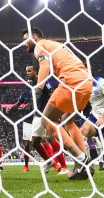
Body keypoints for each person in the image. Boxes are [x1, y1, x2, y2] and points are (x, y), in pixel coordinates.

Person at [22, 27, 93, 180]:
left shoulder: (40, 46)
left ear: (34, 37)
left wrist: (38, 89)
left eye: (25, 39)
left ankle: (81, 159)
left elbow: (45, 66)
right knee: (69, 122)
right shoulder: (56, 44)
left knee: (46, 120)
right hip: (86, 81)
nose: (24, 44)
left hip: (71, 81)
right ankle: (84, 164)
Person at [25, 65, 69, 175]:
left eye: (29, 71)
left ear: (36, 71)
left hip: (48, 114)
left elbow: (52, 95)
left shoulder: (43, 81)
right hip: (38, 115)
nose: (27, 73)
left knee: (50, 137)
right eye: (26, 71)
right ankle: (48, 161)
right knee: (35, 142)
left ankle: (64, 167)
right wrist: (35, 114)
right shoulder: (32, 84)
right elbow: (37, 102)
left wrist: (54, 112)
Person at [6, 86, 33, 172]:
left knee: (42, 140)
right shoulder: (25, 93)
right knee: (26, 143)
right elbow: (18, 104)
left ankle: (53, 163)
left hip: (38, 118)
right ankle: (26, 166)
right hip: (27, 120)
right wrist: (11, 107)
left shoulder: (40, 90)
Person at [80, 102, 104, 171]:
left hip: (92, 115)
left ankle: (101, 161)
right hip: (83, 116)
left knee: (95, 138)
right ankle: (89, 161)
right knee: (83, 138)